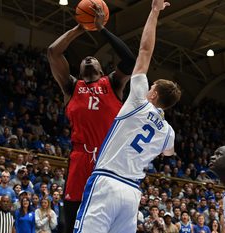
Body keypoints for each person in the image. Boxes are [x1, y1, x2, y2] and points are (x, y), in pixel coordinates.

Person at [74, 0, 181, 232]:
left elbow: (144, 51)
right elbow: (168, 153)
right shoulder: (168, 133)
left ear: (152, 93)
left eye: (151, 85)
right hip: (132, 193)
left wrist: (154, 11)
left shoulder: (138, 102)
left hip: (107, 181)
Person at [47, 2, 135, 233]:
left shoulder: (113, 84)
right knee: (70, 220)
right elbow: (53, 52)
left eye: (93, 58)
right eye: (84, 58)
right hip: (80, 157)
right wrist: (80, 28)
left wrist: (102, 29)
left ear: (101, 68)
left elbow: (129, 61)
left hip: (108, 159)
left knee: (106, 219)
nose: (88, 58)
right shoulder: (71, 86)